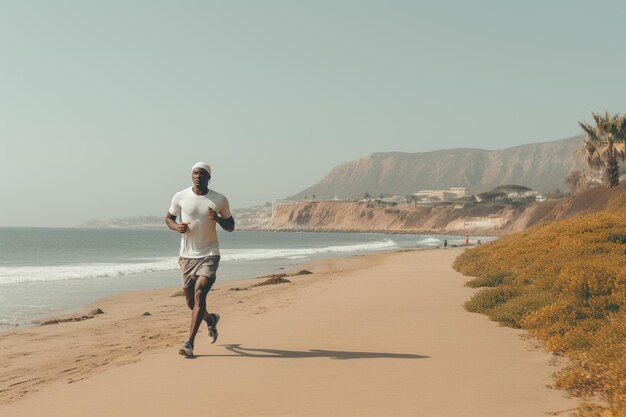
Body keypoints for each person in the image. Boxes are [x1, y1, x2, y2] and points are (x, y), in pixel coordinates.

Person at [165, 162, 235, 357]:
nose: (198, 176)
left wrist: (218, 219)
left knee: (200, 294)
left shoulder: (219, 199)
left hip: (210, 254)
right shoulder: (180, 196)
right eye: (195, 173)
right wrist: (176, 226)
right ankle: (211, 320)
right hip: (187, 255)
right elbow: (168, 218)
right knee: (190, 302)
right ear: (191, 176)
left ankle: (189, 343)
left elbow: (231, 226)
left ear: (208, 177)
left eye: (202, 174)